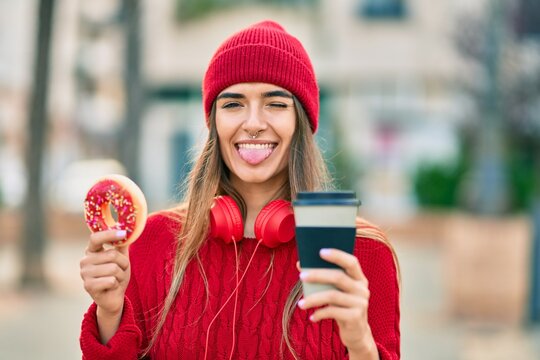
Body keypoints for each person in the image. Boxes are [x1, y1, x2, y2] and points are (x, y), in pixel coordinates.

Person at [79, 20, 400, 359]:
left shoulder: (362, 254)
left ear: (300, 122)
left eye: (275, 103)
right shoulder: (152, 243)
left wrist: (360, 342)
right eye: (233, 104)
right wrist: (110, 314)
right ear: (214, 122)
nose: (253, 123)